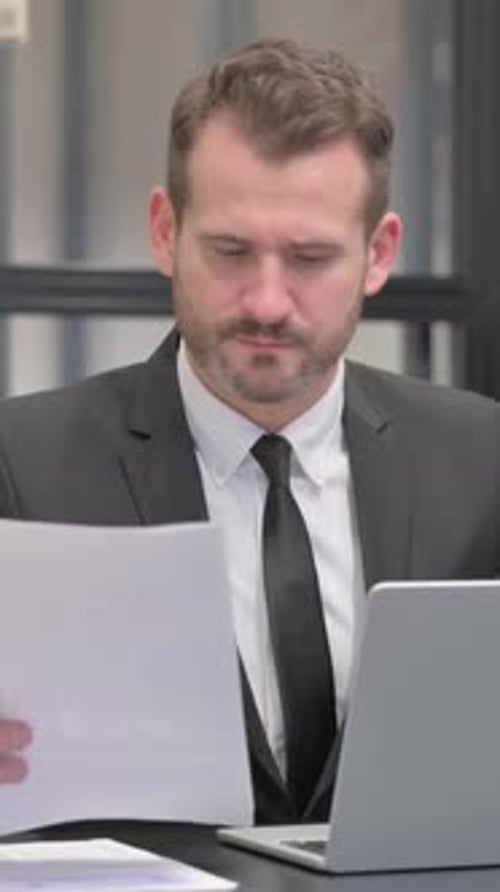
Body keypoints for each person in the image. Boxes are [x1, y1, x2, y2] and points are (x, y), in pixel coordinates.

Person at [0, 37, 498, 824]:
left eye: (310, 258)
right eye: (231, 251)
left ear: (379, 255)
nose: (267, 301)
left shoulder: (481, 461)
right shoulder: (20, 465)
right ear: (166, 232)